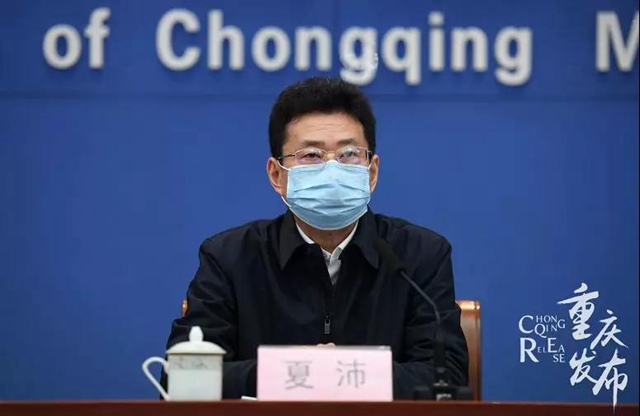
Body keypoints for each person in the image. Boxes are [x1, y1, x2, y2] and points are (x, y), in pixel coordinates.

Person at [163, 76, 468, 399]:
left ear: (372, 171)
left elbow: (446, 376)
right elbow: (180, 380)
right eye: (311, 155)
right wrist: (294, 370)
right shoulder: (229, 257)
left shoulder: (419, 255)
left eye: (349, 153)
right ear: (276, 175)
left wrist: (342, 371)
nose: (332, 170)